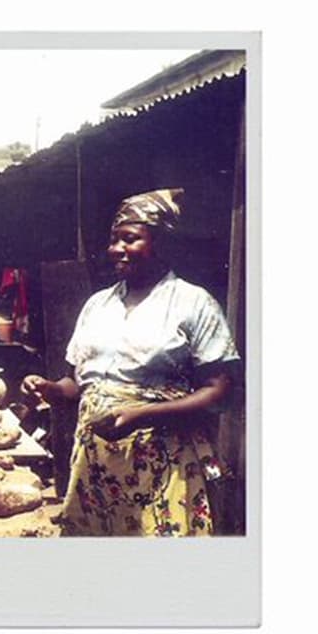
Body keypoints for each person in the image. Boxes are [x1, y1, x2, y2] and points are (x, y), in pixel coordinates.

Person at [22, 188, 240, 537]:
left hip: (162, 463)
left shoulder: (192, 303)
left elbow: (221, 391)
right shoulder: (98, 305)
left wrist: (142, 415)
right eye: (114, 240)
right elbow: (76, 382)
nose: (117, 249)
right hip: (96, 466)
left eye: (130, 239)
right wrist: (48, 388)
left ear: (161, 242)